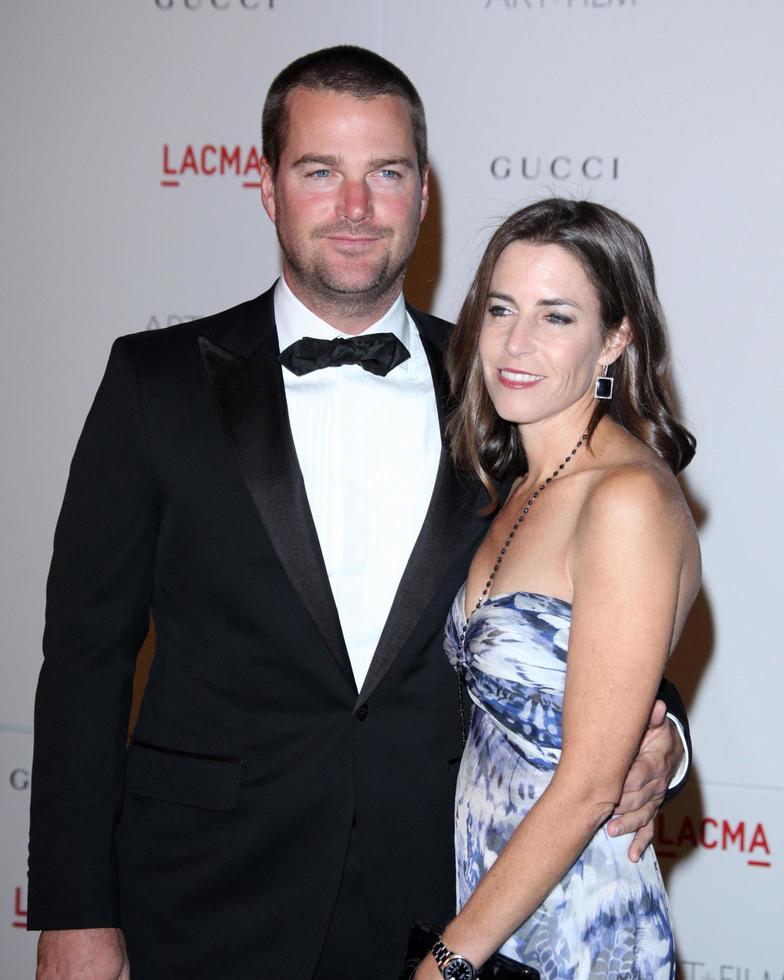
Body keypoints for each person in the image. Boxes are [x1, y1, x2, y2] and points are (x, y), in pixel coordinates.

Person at [28, 50, 689, 980]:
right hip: (202, 898)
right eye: (319, 172)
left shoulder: (503, 386)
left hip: (435, 901)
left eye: (386, 173)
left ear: (423, 193)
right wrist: (73, 912)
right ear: (266, 189)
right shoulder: (156, 384)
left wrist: (657, 731)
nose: (355, 207)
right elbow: (84, 662)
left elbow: (589, 583)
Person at [413, 199, 700, 980]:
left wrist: (447, 961)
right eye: (501, 308)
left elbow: (589, 781)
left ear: (615, 339)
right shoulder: (506, 481)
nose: (514, 342)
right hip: (487, 905)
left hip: (574, 927)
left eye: (556, 316)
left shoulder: (627, 499)